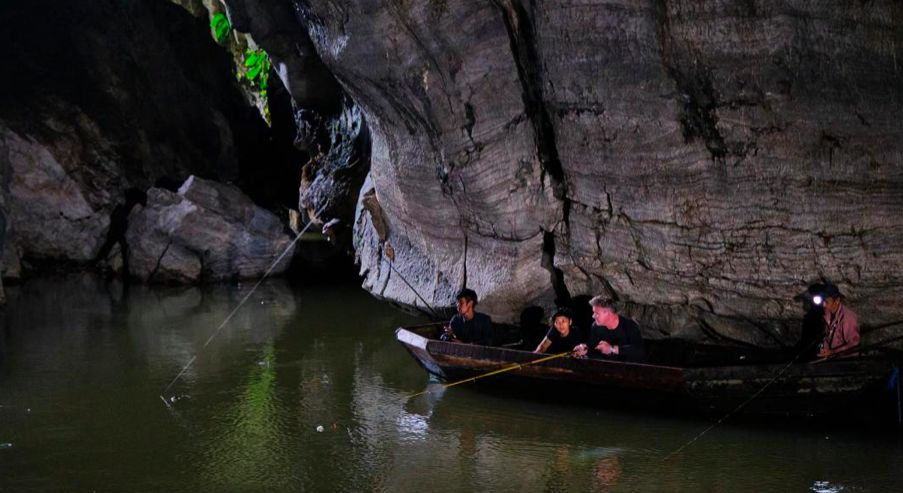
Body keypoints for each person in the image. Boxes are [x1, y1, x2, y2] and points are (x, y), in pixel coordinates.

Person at [574, 295, 646, 362]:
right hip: (606, 367)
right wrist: (584, 348)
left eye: (597, 313)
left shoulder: (630, 325)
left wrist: (611, 349)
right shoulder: (596, 326)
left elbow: (639, 350)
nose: (593, 316)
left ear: (608, 313)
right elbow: (591, 345)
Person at [817, 283, 860, 358]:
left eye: (826, 302)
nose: (823, 305)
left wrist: (833, 352)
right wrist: (824, 349)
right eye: (822, 301)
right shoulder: (827, 314)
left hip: (846, 360)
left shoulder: (848, 317)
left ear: (837, 300)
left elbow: (854, 343)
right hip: (832, 358)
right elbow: (827, 337)